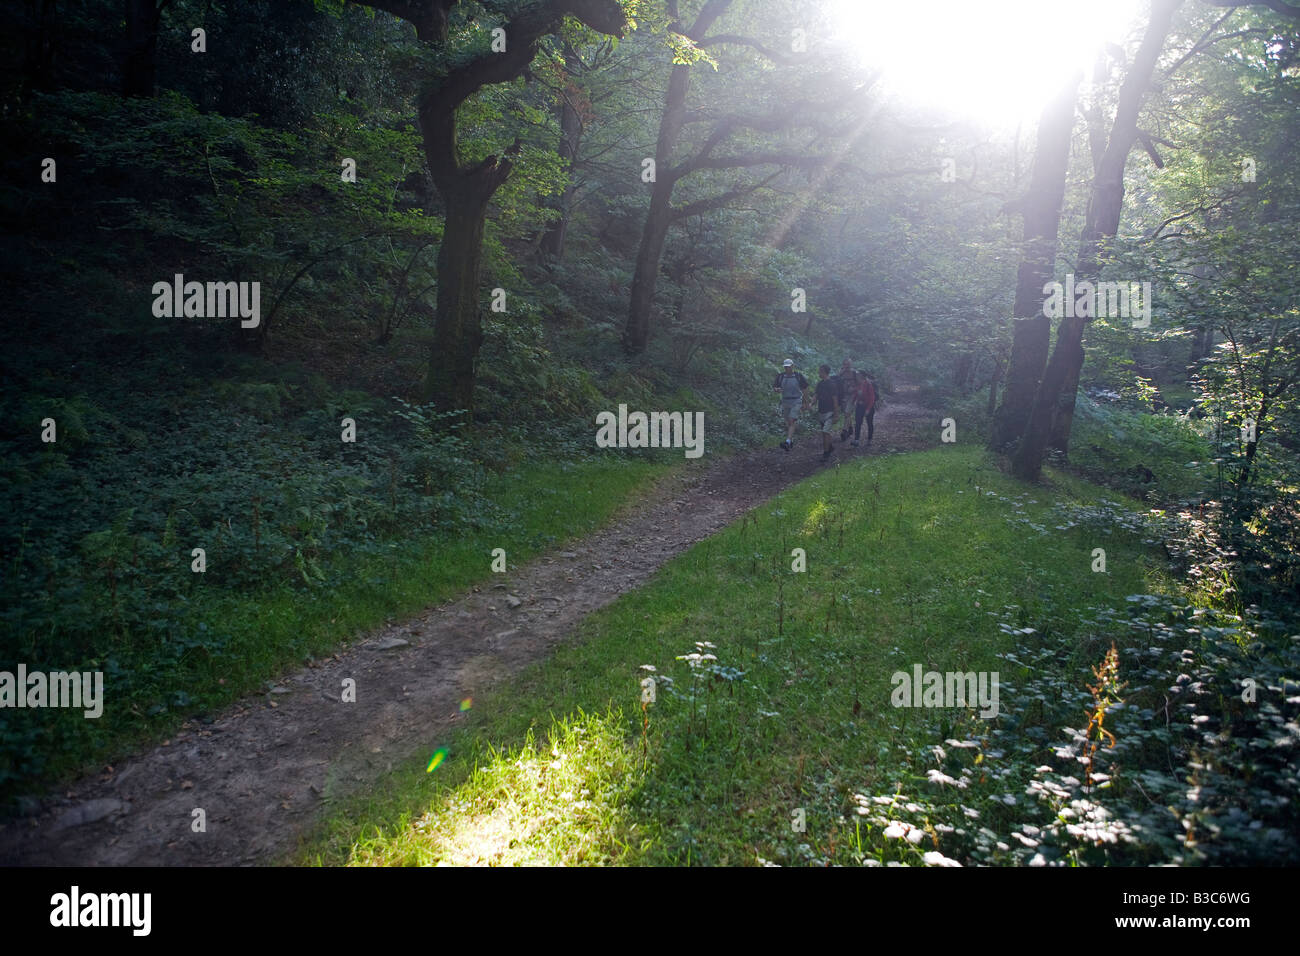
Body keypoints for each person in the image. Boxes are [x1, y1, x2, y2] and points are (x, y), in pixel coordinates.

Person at [772, 359, 809, 451]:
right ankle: (790, 441)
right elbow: (775, 387)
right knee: (788, 422)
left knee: (792, 420)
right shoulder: (780, 376)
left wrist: (805, 402)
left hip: (796, 401)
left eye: (788, 367)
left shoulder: (798, 376)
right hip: (785, 401)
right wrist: (777, 390)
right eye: (785, 367)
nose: (787, 368)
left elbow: (805, 388)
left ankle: (787, 441)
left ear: (792, 366)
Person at [813, 363, 839, 462]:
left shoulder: (832, 384)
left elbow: (835, 399)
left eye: (820, 371)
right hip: (821, 411)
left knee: (825, 432)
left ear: (824, 372)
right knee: (825, 432)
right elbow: (816, 395)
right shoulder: (820, 384)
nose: (819, 373)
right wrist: (811, 404)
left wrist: (836, 414)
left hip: (830, 412)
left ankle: (826, 453)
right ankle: (830, 446)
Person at [852, 369, 877, 447]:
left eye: (858, 374)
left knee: (869, 423)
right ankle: (856, 440)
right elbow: (856, 393)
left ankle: (869, 439)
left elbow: (872, 397)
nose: (856, 376)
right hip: (860, 406)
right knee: (858, 423)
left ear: (862, 376)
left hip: (868, 406)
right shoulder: (858, 384)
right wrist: (853, 402)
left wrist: (868, 409)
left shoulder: (868, 384)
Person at [834, 358, 856, 441]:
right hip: (843, 396)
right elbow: (835, 381)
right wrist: (840, 373)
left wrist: (853, 388)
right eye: (845, 364)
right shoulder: (841, 372)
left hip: (852, 396)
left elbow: (860, 384)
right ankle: (850, 427)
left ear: (851, 364)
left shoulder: (854, 373)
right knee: (846, 413)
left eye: (848, 364)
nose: (847, 366)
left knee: (847, 412)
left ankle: (844, 431)